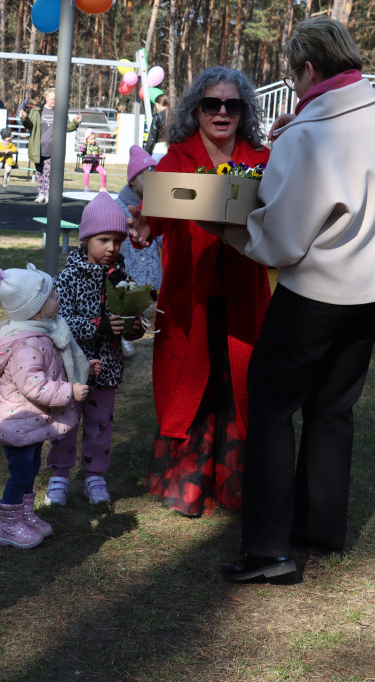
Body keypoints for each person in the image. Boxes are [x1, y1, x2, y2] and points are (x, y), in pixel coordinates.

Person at [214, 18, 375, 582]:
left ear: (308, 68)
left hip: (320, 292)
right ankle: (319, 527)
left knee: (273, 406)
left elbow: (281, 236)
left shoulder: (309, 134)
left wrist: (229, 229)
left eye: (295, 76)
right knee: (333, 407)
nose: (296, 89)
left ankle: (268, 551)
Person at [128, 66, 272, 518]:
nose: (223, 112)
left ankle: (234, 490)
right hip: (192, 297)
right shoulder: (176, 160)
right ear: (197, 109)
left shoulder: (264, 159)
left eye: (233, 104)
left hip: (244, 295)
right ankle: (187, 488)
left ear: (244, 111)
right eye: (213, 103)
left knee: (241, 388)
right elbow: (159, 215)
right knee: (193, 384)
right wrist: (144, 226)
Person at [0, 263, 93, 548]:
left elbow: (51, 369)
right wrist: (70, 390)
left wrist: (85, 367)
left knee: (29, 470)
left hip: (29, 423)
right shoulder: (27, 345)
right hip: (19, 422)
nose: (59, 296)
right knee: (21, 473)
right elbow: (35, 386)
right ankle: (8, 525)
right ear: (36, 308)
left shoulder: (43, 332)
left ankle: (24, 515)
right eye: (53, 294)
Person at [47, 193, 143, 506]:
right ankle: (59, 475)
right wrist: (96, 325)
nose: (112, 248)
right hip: (72, 369)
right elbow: (57, 323)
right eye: (103, 240)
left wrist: (134, 326)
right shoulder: (68, 278)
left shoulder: (122, 278)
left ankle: (95, 476)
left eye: (118, 240)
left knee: (100, 425)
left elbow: (127, 317)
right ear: (86, 238)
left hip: (108, 367)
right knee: (65, 423)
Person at [115, 145, 161, 359]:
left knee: (143, 305)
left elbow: (162, 235)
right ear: (132, 180)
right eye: (146, 176)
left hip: (149, 271)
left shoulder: (156, 206)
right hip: (128, 269)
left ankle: (130, 332)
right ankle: (120, 336)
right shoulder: (118, 208)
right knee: (124, 305)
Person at [21, 88, 80, 204]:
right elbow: (30, 125)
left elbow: (67, 127)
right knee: (40, 172)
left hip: (53, 149)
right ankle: (41, 193)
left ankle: (49, 194)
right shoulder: (37, 111)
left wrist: (75, 122)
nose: (55, 101)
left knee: (49, 173)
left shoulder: (60, 112)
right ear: (46, 98)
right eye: (53, 99)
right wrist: (24, 118)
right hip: (38, 148)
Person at [78, 128, 107, 193]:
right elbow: (82, 150)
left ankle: (103, 187)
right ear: (87, 139)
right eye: (91, 139)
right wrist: (84, 142)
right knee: (87, 172)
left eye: (94, 138)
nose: (93, 140)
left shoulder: (96, 146)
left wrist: (101, 155)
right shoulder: (86, 145)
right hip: (87, 164)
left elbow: (99, 153)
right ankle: (86, 187)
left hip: (96, 164)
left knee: (104, 172)